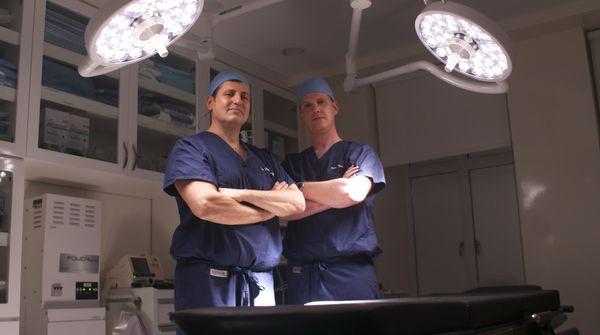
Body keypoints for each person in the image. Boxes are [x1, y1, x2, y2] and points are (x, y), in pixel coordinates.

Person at [163, 71, 305, 312]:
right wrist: (268, 211)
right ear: (210, 102)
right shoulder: (191, 148)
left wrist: (241, 195)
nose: (238, 100)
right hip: (210, 281)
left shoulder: (265, 158)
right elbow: (207, 204)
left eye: (245, 97)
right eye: (229, 94)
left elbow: (297, 203)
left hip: (261, 283)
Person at [281, 77, 386, 304]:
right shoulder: (293, 164)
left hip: (350, 274)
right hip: (303, 276)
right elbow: (283, 210)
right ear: (301, 113)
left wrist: (299, 188)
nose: (315, 109)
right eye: (308, 105)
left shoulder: (360, 154)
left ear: (335, 107)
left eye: (321, 102)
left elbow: (353, 194)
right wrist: (335, 194)